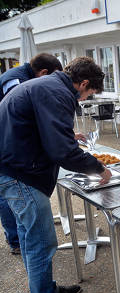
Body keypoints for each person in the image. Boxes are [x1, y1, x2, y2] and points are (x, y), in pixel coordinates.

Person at [0, 56, 112, 293]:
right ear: (83, 83)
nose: (84, 100)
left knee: (30, 240)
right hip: (20, 174)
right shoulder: (58, 93)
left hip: (10, 167)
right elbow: (63, 152)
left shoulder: (47, 84)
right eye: (88, 94)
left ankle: (46, 292)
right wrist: (99, 168)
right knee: (40, 243)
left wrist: (66, 133)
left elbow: (36, 125)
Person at [0, 53, 63, 255]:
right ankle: (16, 241)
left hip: (10, 155)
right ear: (43, 73)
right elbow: (23, 119)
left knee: (24, 224)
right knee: (39, 240)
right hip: (12, 161)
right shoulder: (18, 82)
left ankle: (20, 239)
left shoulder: (25, 77)